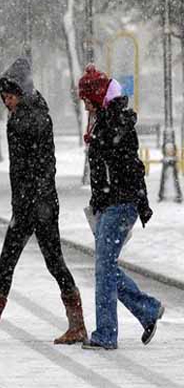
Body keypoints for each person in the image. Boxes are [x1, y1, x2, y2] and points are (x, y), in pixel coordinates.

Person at [0, 58, 87, 345]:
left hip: (34, 205)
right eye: (4, 96)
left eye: (11, 95)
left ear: (22, 92)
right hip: (36, 204)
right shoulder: (32, 114)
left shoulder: (29, 120)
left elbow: (38, 167)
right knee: (41, 262)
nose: (7, 100)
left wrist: (29, 203)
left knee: (26, 262)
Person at [78, 64, 164, 350]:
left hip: (120, 203)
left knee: (104, 268)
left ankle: (106, 334)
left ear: (98, 98)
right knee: (106, 267)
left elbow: (126, 167)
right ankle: (147, 309)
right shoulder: (106, 120)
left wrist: (135, 201)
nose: (86, 107)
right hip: (111, 203)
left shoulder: (114, 123)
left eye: (88, 101)